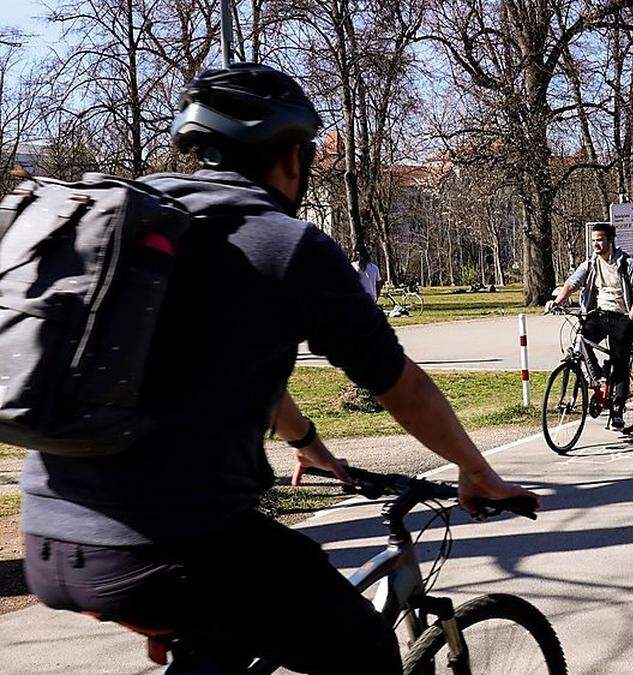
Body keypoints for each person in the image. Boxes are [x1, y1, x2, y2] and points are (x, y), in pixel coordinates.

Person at [19, 63, 536, 674]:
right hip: (172, 545)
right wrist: (475, 472)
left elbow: (237, 366)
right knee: (365, 649)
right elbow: (403, 386)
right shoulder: (287, 246)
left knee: (227, 639)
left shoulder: (145, 223)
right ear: (293, 157)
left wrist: (308, 442)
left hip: (50, 536)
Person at [549, 222, 633, 430]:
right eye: (593, 240)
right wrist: (558, 301)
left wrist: (630, 322)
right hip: (600, 313)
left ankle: (618, 411)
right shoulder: (591, 263)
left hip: (623, 315)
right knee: (582, 337)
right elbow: (572, 282)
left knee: (620, 362)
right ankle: (600, 377)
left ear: (610, 240)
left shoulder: (626, 263)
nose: (596, 244)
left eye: (600, 240)